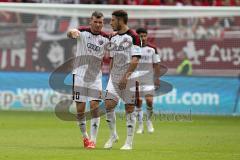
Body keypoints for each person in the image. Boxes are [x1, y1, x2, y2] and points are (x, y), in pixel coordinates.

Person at [67, 11, 109, 149]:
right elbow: (71, 32)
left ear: (103, 23)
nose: (98, 25)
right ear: (90, 21)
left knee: (95, 106)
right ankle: (85, 137)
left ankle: (93, 140)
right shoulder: (82, 32)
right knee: (80, 110)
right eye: (95, 22)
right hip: (79, 75)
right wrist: (71, 32)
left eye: (100, 22)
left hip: (95, 77)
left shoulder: (106, 38)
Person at [104, 10, 141, 150]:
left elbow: (136, 59)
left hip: (130, 77)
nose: (110, 23)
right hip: (114, 77)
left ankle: (129, 143)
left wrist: (126, 77)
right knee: (108, 105)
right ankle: (113, 135)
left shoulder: (134, 37)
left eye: (113, 20)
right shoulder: (112, 38)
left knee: (129, 108)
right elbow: (112, 58)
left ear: (120, 20)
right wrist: (110, 77)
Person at [134, 28, 161, 134]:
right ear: (137, 37)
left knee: (149, 101)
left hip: (148, 79)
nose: (143, 38)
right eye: (141, 36)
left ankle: (149, 121)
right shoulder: (133, 48)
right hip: (135, 79)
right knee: (138, 103)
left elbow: (156, 64)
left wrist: (157, 78)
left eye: (145, 35)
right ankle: (140, 125)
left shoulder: (152, 49)